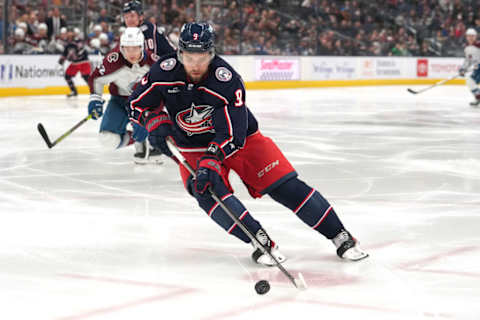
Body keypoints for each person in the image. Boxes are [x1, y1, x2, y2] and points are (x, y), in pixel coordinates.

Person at [127, 22, 368, 266]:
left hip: (239, 140)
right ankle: (258, 239)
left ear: (212, 54)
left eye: (202, 57)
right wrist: (153, 120)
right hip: (191, 146)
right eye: (189, 57)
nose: (196, 65)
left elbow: (234, 133)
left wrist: (213, 157)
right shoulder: (162, 72)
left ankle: (340, 235)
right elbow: (136, 103)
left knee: (284, 186)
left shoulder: (227, 80)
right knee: (206, 191)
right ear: (180, 54)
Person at [87, 27, 162, 164]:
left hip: (146, 105)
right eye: (127, 48)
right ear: (121, 48)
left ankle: (152, 139)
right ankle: (138, 138)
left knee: (161, 131)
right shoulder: (113, 60)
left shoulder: (154, 63)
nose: (131, 53)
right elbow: (96, 78)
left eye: (135, 48)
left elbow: (164, 90)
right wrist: (95, 99)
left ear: (142, 47)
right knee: (107, 139)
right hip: (120, 102)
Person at [122, 0, 176, 160]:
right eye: (126, 16)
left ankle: (154, 144)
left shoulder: (147, 29)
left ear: (141, 17)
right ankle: (146, 141)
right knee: (133, 102)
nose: (129, 19)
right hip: (160, 71)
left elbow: (150, 59)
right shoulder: (131, 32)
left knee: (143, 103)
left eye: (132, 15)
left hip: (169, 71)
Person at [58, 30, 90, 98]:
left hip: (83, 62)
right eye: (68, 33)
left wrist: (71, 55)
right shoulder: (67, 42)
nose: (69, 34)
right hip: (75, 63)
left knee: (86, 77)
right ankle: (74, 91)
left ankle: (95, 92)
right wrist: (62, 59)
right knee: (67, 76)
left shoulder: (78, 40)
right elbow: (65, 52)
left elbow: (81, 50)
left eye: (70, 33)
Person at [459, 28, 480, 106]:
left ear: (475, 37)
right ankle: (478, 97)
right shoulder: (467, 48)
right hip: (477, 69)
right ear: (466, 37)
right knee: (470, 81)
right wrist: (463, 69)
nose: (470, 38)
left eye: (472, 36)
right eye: (469, 36)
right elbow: (468, 60)